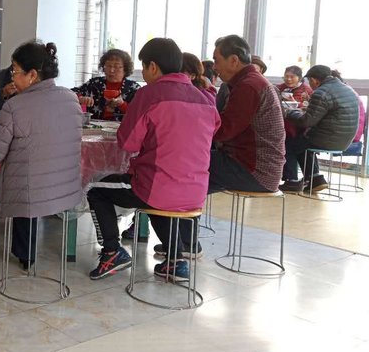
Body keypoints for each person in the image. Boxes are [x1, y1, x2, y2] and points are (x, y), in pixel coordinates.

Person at [87, 38, 220, 282]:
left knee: (95, 189)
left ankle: (112, 251)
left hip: (157, 187)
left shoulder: (149, 94)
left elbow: (128, 143)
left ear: (153, 67)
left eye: (144, 67)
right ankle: (176, 262)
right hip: (196, 191)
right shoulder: (204, 98)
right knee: (161, 195)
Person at [0, 42, 83, 268]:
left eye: (15, 71)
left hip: (29, 190)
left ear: (32, 75)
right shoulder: (70, 98)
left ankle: (25, 256)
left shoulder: (15, 106)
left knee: (24, 185)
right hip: (64, 188)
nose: (12, 77)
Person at [209, 35, 285, 194]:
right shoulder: (252, 81)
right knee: (193, 165)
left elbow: (224, 131)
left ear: (233, 60)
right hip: (262, 169)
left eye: (216, 61)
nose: (214, 67)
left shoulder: (248, 86)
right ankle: (186, 208)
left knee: (186, 159)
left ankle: (181, 209)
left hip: (256, 172)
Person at [282, 65, 360, 193]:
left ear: (314, 80)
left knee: (288, 145)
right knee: (301, 144)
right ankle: (316, 179)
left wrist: (290, 112)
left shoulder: (321, 92)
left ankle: (292, 182)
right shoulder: (346, 89)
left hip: (328, 138)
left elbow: (306, 122)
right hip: (345, 139)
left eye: (309, 81)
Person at [72, 48, 140, 121]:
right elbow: (71, 93)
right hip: (95, 126)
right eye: (108, 66)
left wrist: (122, 104)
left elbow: (139, 113)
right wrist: (80, 98)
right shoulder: (95, 84)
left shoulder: (133, 88)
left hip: (122, 127)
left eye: (116, 67)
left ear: (125, 69)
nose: (111, 70)